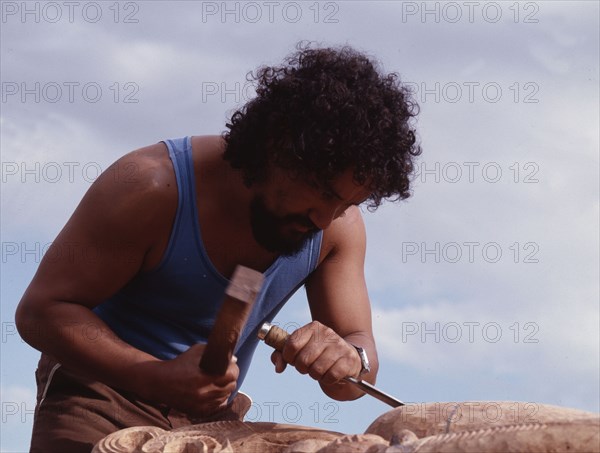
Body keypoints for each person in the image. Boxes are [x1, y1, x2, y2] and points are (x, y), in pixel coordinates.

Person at [16, 43, 421, 452]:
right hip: (101, 396)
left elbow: (356, 370)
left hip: (210, 419)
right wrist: (154, 375)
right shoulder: (150, 186)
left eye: (347, 203)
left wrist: (351, 359)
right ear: (276, 146)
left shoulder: (338, 228)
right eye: (319, 191)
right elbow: (40, 312)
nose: (323, 218)